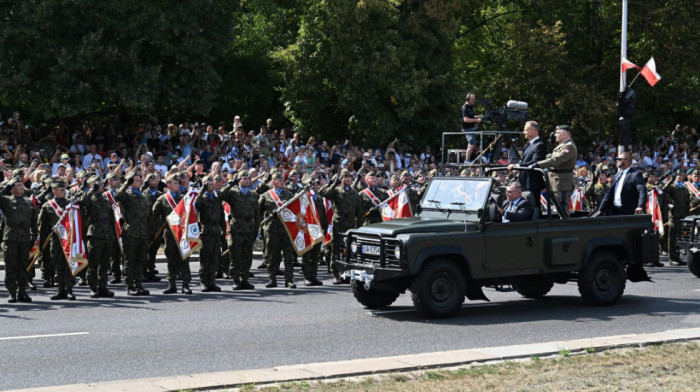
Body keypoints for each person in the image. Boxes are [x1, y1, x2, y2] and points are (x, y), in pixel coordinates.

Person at [319, 169, 363, 284]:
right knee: (336, 249)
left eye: (349, 177)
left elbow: (359, 211)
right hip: (338, 224)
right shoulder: (336, 191)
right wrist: (333, 183)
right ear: (341, 179)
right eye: (345, 177)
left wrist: (359, 226)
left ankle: (347, 273)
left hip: (351, 225)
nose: (348, 179)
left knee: (349, 250)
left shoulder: (354, 192)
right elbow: (325, 193)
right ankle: (336, 274)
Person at [219, 170, 260, 290]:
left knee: (247, 255)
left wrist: (256, 228)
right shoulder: (233, 193)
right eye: (243, 178)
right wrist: (231, 183)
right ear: (239, 180)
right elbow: (221, 195)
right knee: (236, 255)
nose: (246, 180)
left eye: (248, 179)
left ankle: (244, 279)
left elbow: (257, 214)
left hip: (249, 228)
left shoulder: (254, 194)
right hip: (236, 227)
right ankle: (236, 280)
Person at [152, 173, 192, 294]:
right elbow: (154, 214)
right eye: (175, 183)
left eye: (178, 183)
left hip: (182, 232)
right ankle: (171, 284)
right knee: (171, 259)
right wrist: (162, 224)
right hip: (170, 233)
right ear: (168, 185)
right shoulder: (163, 199)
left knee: (184, 258)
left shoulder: (183, 197)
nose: (177, 184)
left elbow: (190, 211)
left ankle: (185, 285)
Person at [115, 171, 153, 296]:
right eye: (136, 180)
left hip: (143, 232)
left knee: (140, 260)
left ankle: (139, 285)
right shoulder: (127, 194)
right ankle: (130, 286)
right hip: (131, 232)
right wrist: (127, 183)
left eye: (139, 180)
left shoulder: (142, 195)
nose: (139, 182)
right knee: (129, 260)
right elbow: (117, 195)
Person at [0, 178, 38, 303]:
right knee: (11, 266)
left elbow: (33, 219)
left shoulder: (28, 202)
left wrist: (34, 234)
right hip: (11, 237)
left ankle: (22, 291)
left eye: (22, 185)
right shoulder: (6, 200)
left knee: (23, 265)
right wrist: (7, 187)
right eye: (18, 185)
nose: (22, 187)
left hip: (25, 237)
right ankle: (12, 292)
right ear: (12, 188)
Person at [79, 176, 116, 298]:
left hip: (107, 235)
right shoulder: (90, 198)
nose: (101, 185)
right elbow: (83, 201)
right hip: (94, 234)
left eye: (101, 183)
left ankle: (103, 287)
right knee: (93, 263)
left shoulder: (106, 200)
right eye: (97, 184)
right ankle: (93, 288)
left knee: (104, 264)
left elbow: (111, 218)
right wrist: (91, 190)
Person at [259, 172, 297, 288]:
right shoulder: (265, 196)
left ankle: (289, 279)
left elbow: (294, 210)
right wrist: (261, 227)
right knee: (272, 255)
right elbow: (259, 213)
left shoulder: (289, 194)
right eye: (279, 180)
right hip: (272, 229)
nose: (282, 182)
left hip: (286, 229)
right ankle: (272, 278)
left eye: (282, 180)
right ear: (273, 182)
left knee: (288, 256)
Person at [530, 125, 577, 217]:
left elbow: (557, 160)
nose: (555, 135)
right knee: (558, 207)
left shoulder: (569, 146)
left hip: (562, 183)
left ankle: (564, 228)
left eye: (558, 133)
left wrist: (539, 164)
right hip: (557, 181)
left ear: (565, 134)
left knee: (562, 209)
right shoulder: (562, 145)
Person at [195, 175, 225, 292]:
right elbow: (196, 205)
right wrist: (202, 189)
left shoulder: (217, 198)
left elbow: (221, 216)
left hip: (216, 231)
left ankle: (212, 281)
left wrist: (223, 228)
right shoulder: (202, 198)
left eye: (213, 184)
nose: (212, 186)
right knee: (205, 258)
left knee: (214, 258)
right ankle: (204, 282)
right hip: (205, 231)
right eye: (209, 184)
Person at [509, 121, 546, 209]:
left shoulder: (539, 145)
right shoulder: (529, 144)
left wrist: (518, 166)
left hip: (532, 182)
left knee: (533, 206)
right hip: (524, 181)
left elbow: (535, 162)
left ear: (533, 130)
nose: (523, 132)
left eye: (526, 130)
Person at [598, 151, 647, 216]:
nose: (617, 161)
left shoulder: (635, 174)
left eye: (619, 159)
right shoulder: (617, 175)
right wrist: (601, 210)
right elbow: (609, 193)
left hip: (628, 213)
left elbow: (642, 190)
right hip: (614, 212)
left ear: (627, 161)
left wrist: (640, 206)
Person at [662, 169, 690, 266]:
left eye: (681, 175)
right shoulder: (672, 187)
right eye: (677, 175)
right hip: (674, 216)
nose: (679, 177)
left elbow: (687, 203)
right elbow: (664, 189)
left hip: (683, 216)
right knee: (672, 237)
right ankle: (672, 258)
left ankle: (677, 257)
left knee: (680, 238)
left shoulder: (685, 188)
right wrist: (671, 179)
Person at [461, 93, 483, 163]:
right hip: (467, 128)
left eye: (474, 99)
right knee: (472, 144)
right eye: (472, 99)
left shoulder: (471, 106)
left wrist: (477, 117)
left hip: (471, 128)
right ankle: (467, 160)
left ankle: (467, 159)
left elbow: (471, 116)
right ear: (468, 99)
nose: (473, 100)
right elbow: (466, 119)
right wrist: (477, 120)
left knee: (470, 144)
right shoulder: (465, 108)